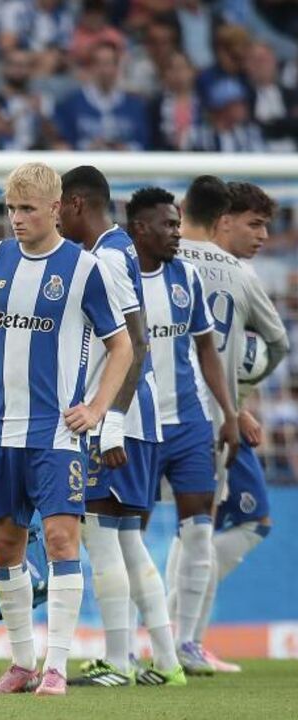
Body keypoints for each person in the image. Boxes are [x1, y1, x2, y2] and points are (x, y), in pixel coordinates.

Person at [0, 162, 132, 696]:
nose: (17, 218)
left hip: (57, 436)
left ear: (55, 208)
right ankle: (22, 663)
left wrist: (97, 408)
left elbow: (122, 346)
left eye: (27, 209)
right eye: (11, 209)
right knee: (5, 547)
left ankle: (57, 666)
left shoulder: (84, 268)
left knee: (63, 541)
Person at [57, 165, 181, 687]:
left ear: (76, 204)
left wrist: (110, 422)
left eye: (57, 206)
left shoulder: (104, 259)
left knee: (101, 537)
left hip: (119, 417)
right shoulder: (116, 248)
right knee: (128, 541)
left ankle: (119, 661)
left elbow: (135, 342)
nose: (54, 218)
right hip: (136, 414)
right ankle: (167, 662)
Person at [174, 179, 291, 672]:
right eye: (254, 224)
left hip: (172, 413)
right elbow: (278, 343)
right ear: (223, 220)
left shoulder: (165, 260)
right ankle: (181, 637)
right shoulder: (234, 274)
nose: (263, 235)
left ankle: (177, 638)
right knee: (224, 522)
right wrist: (236, 402)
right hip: (211, 421)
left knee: (175, 526)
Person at [127, 186, 240, 677]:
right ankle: (126, 644)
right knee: (130, 536)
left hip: (190, 421)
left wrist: (229, 412)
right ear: (140, 229)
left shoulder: (186, 276)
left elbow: (206, 348)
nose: (177, 233)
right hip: (137, 423)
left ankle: (187, 642)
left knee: (198, 530)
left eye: (178, 223)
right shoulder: (116, 277)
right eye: (168, 225)